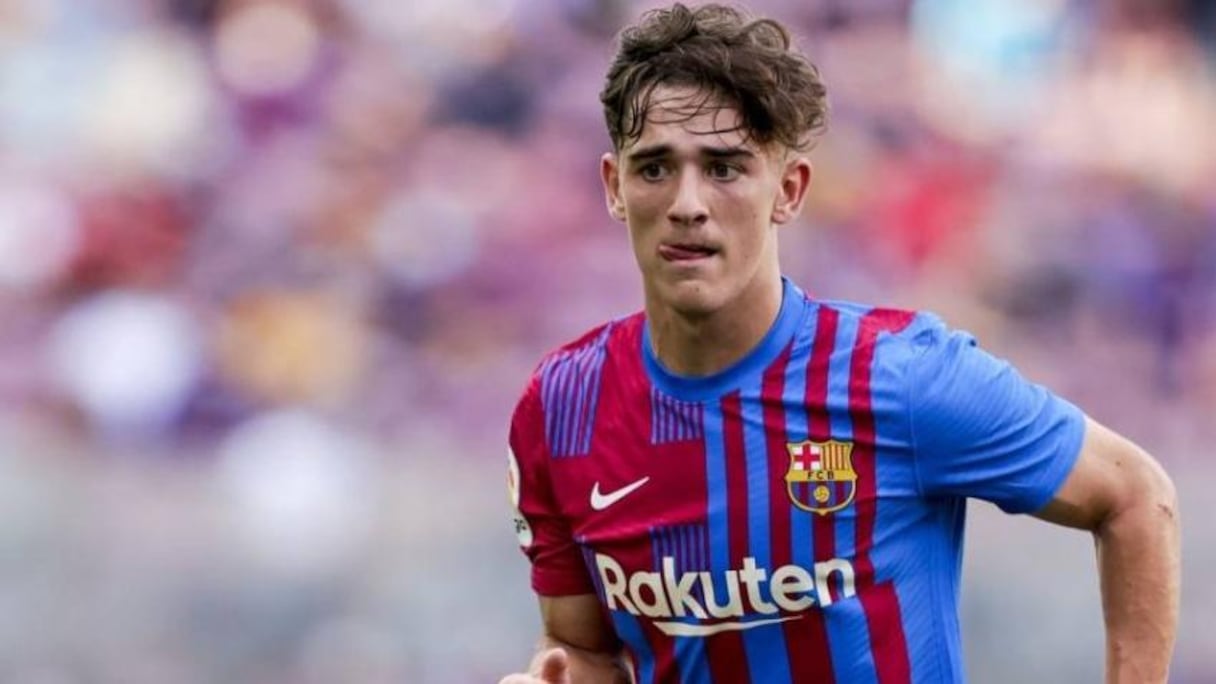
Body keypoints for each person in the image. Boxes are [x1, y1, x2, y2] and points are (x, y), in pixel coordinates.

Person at [499, 3, 1180, 683]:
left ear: (788, 190)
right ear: (614, 187)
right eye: (654, 168)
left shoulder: (901, 375)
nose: (687, 204)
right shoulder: (561, 409)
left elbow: (1135, 495)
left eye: (725, 168)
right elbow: (584, 651)